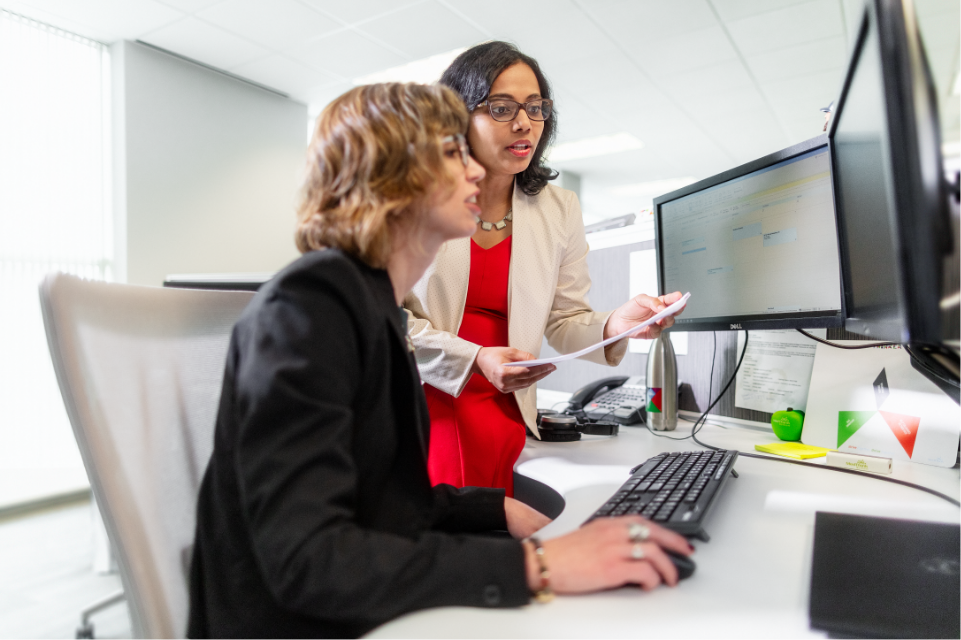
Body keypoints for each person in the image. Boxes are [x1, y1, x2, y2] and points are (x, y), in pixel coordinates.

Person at [187, 82, 694, 640]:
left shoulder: (370, 305)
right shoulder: (312, 309)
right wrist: (540, 566)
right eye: (454, 154)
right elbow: (310, 559)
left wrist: (488, 511)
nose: (476, 172)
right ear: (392, 173)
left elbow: (378, 501)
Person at [405, 42, 684, 496]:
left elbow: (564, 319)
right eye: (501, 108)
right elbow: (387, 320)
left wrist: (617, 324)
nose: (524, 123)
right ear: (456, 116)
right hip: (427, 390)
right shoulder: (413, 196)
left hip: (510, 404)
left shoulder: (559, 208)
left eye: (536, 108)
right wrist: (474, 358)